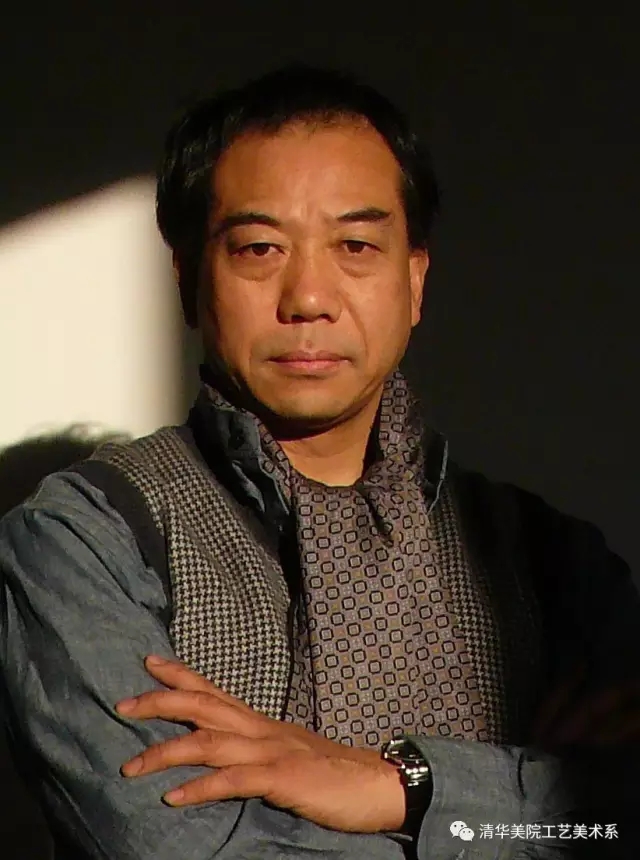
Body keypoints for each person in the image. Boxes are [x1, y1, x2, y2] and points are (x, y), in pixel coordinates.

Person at [0, 65, 637, 860]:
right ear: (188, 278)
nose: (308, 298)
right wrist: (513, 810)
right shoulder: (87, 539)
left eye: (356, 246)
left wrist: (403, 784)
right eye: (259, 248)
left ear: (414, 279)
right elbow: (182, 848)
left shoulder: (551, 562)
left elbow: (621, 822)